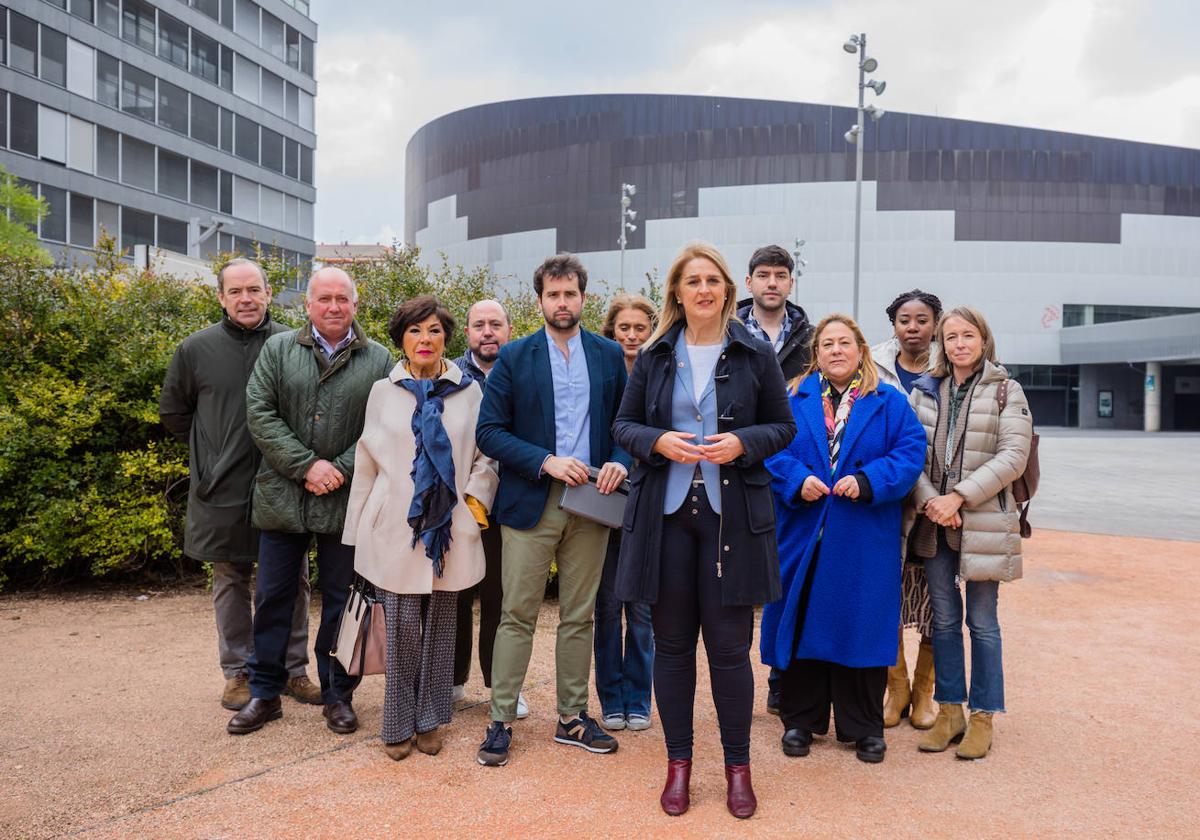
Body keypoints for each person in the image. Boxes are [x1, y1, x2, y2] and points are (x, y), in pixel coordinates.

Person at [613, 243, 795, 819]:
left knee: (728, 650)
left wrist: (744, 443)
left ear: (727, 290)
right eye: (692, 280)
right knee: (670, 647)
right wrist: (655, 442)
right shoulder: (655, 354)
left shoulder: (753, 352)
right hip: (666, 519)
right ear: (677, 291)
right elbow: (624, 425)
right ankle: (678, 765)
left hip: (732, 517)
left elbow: (783, 427)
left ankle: (738, 768)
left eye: (712, 280)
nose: (703, 289)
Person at [474, 254, 631, 767]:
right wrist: (545, 461)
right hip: (530, 503)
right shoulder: (515, 357)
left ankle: (571, 718)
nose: (562, 303)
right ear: (539, 299)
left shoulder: (609, 356)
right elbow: (489, 432)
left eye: (570, 294)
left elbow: (630, 425)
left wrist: (620, 463)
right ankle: (500, 720)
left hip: (592, 504)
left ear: (583, 297)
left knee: (579, 616)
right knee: (516, 614)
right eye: (553, 295)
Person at [228, 267, 392, 736]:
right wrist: (306, 466)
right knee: (274, 596)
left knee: (342, 602)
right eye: (324, 298)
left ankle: (338, 695)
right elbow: (259, 412)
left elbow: (381, 428)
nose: (334, 306)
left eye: (343, 298)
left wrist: (339, 466)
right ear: (308, 305)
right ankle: (264, 693)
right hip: (283, 497)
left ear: (355, 305)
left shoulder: (378, 360)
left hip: (347, 501)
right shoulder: (278, 350)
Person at [760, 314, 926, 767]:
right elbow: (772, 448)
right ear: (817, 353)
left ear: (860, 351)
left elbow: (911, 454)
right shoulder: (794, 397)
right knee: (803, 624)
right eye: (827, 344)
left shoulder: (888, 401)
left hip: (862, 536)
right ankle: (800, 720)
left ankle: (864, 728)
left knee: (860, 628)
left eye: (844, 343)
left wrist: (869, 480)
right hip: (805, 529)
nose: (836, 350)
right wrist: (797, 478)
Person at [159, 258, 321, 711]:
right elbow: (175, 414)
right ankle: (238, 673)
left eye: (254, 289)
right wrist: (210, 458)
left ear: (270, 293)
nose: (246, 298)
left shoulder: (295, 343)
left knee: (293, 579)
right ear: (221, 297)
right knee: (230, 579)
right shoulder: (196, 349)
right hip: (222, 488)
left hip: (284, 482)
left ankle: (293, 670)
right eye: (236, 291)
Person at [343, 296, 499, 761]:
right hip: (394, 527)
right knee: (404, 624)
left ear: (446, 337)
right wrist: (357, 527)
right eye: (414, 331)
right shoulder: (382, 392)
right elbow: (366, 461)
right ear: (402, 340)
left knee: (443, 625)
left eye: (433, 330)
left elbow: (485, 455)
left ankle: (430, 718)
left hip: (451, 527)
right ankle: (397, 721)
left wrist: (473, 507)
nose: (425, 339)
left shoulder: (469, 391)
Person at [907, 306, 1032, 760]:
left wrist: (957, 497)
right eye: (951, 336)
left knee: (982, 623)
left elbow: (1013, 456)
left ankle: (983, 716)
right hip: (935, 522)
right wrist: (931, 502)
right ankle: (949, 712)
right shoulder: (926, 389)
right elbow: (910, 453)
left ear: (983, 340)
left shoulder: (1006, 390)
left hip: (981, 521)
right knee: (942, 621)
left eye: (968, 335)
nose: (959, 343)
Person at [734, 244, 814, 715]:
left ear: (790, 282)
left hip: (794, 475)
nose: (771, 282)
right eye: (762, 274)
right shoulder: (727, 330)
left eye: (780, 275)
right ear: (749, 283)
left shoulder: (812, 337)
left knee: (788, 582)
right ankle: (738, 674)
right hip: (740, 466)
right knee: (741, 581)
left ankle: (783, 678)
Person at [870, 288, 944, 730]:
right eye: (904, 319)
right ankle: (895, 688)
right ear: (893, 324)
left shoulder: (952, 361)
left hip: (941, 500)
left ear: (935, 323)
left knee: (939, 593)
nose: (912, 327)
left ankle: (924, 693)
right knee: (889, 593)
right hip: (892, 499)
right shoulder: (875, 364)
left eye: (921, 319)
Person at [594, 294, 657, 732]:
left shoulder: (662, 373)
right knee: (606, 604)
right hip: (604, 499)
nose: (632, 336)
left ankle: (639, 696)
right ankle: (610, 696)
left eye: (640, 328)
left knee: (641, 611)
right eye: (624, 328)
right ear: (611, 331)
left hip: (650, 503)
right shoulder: (601, 374)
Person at [451, 299, 515, 710]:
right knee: (455, 594)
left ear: (508, 329)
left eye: (495, 324)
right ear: (468, 332)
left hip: (509, 501)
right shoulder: (451, 375)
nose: (487, 331)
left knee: (501, 597)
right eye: (479, 324)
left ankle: (499, 686)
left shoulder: (523, 370)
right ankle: (453, 682)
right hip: (460, 501)